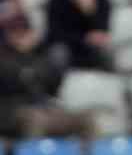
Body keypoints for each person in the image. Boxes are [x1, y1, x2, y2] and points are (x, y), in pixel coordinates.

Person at [0, 9, 93, 139]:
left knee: (86, 119)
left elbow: (54, 83)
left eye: (24, 29)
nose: (20, 34)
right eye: (14, 31)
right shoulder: (3, 57)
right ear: (6, 34)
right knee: (36, 120)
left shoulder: (40, 54)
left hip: (43, 107)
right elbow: (15, 79)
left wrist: (33, 52)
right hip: (11, 111)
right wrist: (25, 58)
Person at [45, 0, 113, 70]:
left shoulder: (101, 0)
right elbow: (55, 33)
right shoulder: (58, 0)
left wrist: (90, 12)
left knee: (106, 50)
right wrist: (83, 38)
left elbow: (103, 30)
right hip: (68, 45)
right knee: (58, 53)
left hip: (91, 47)